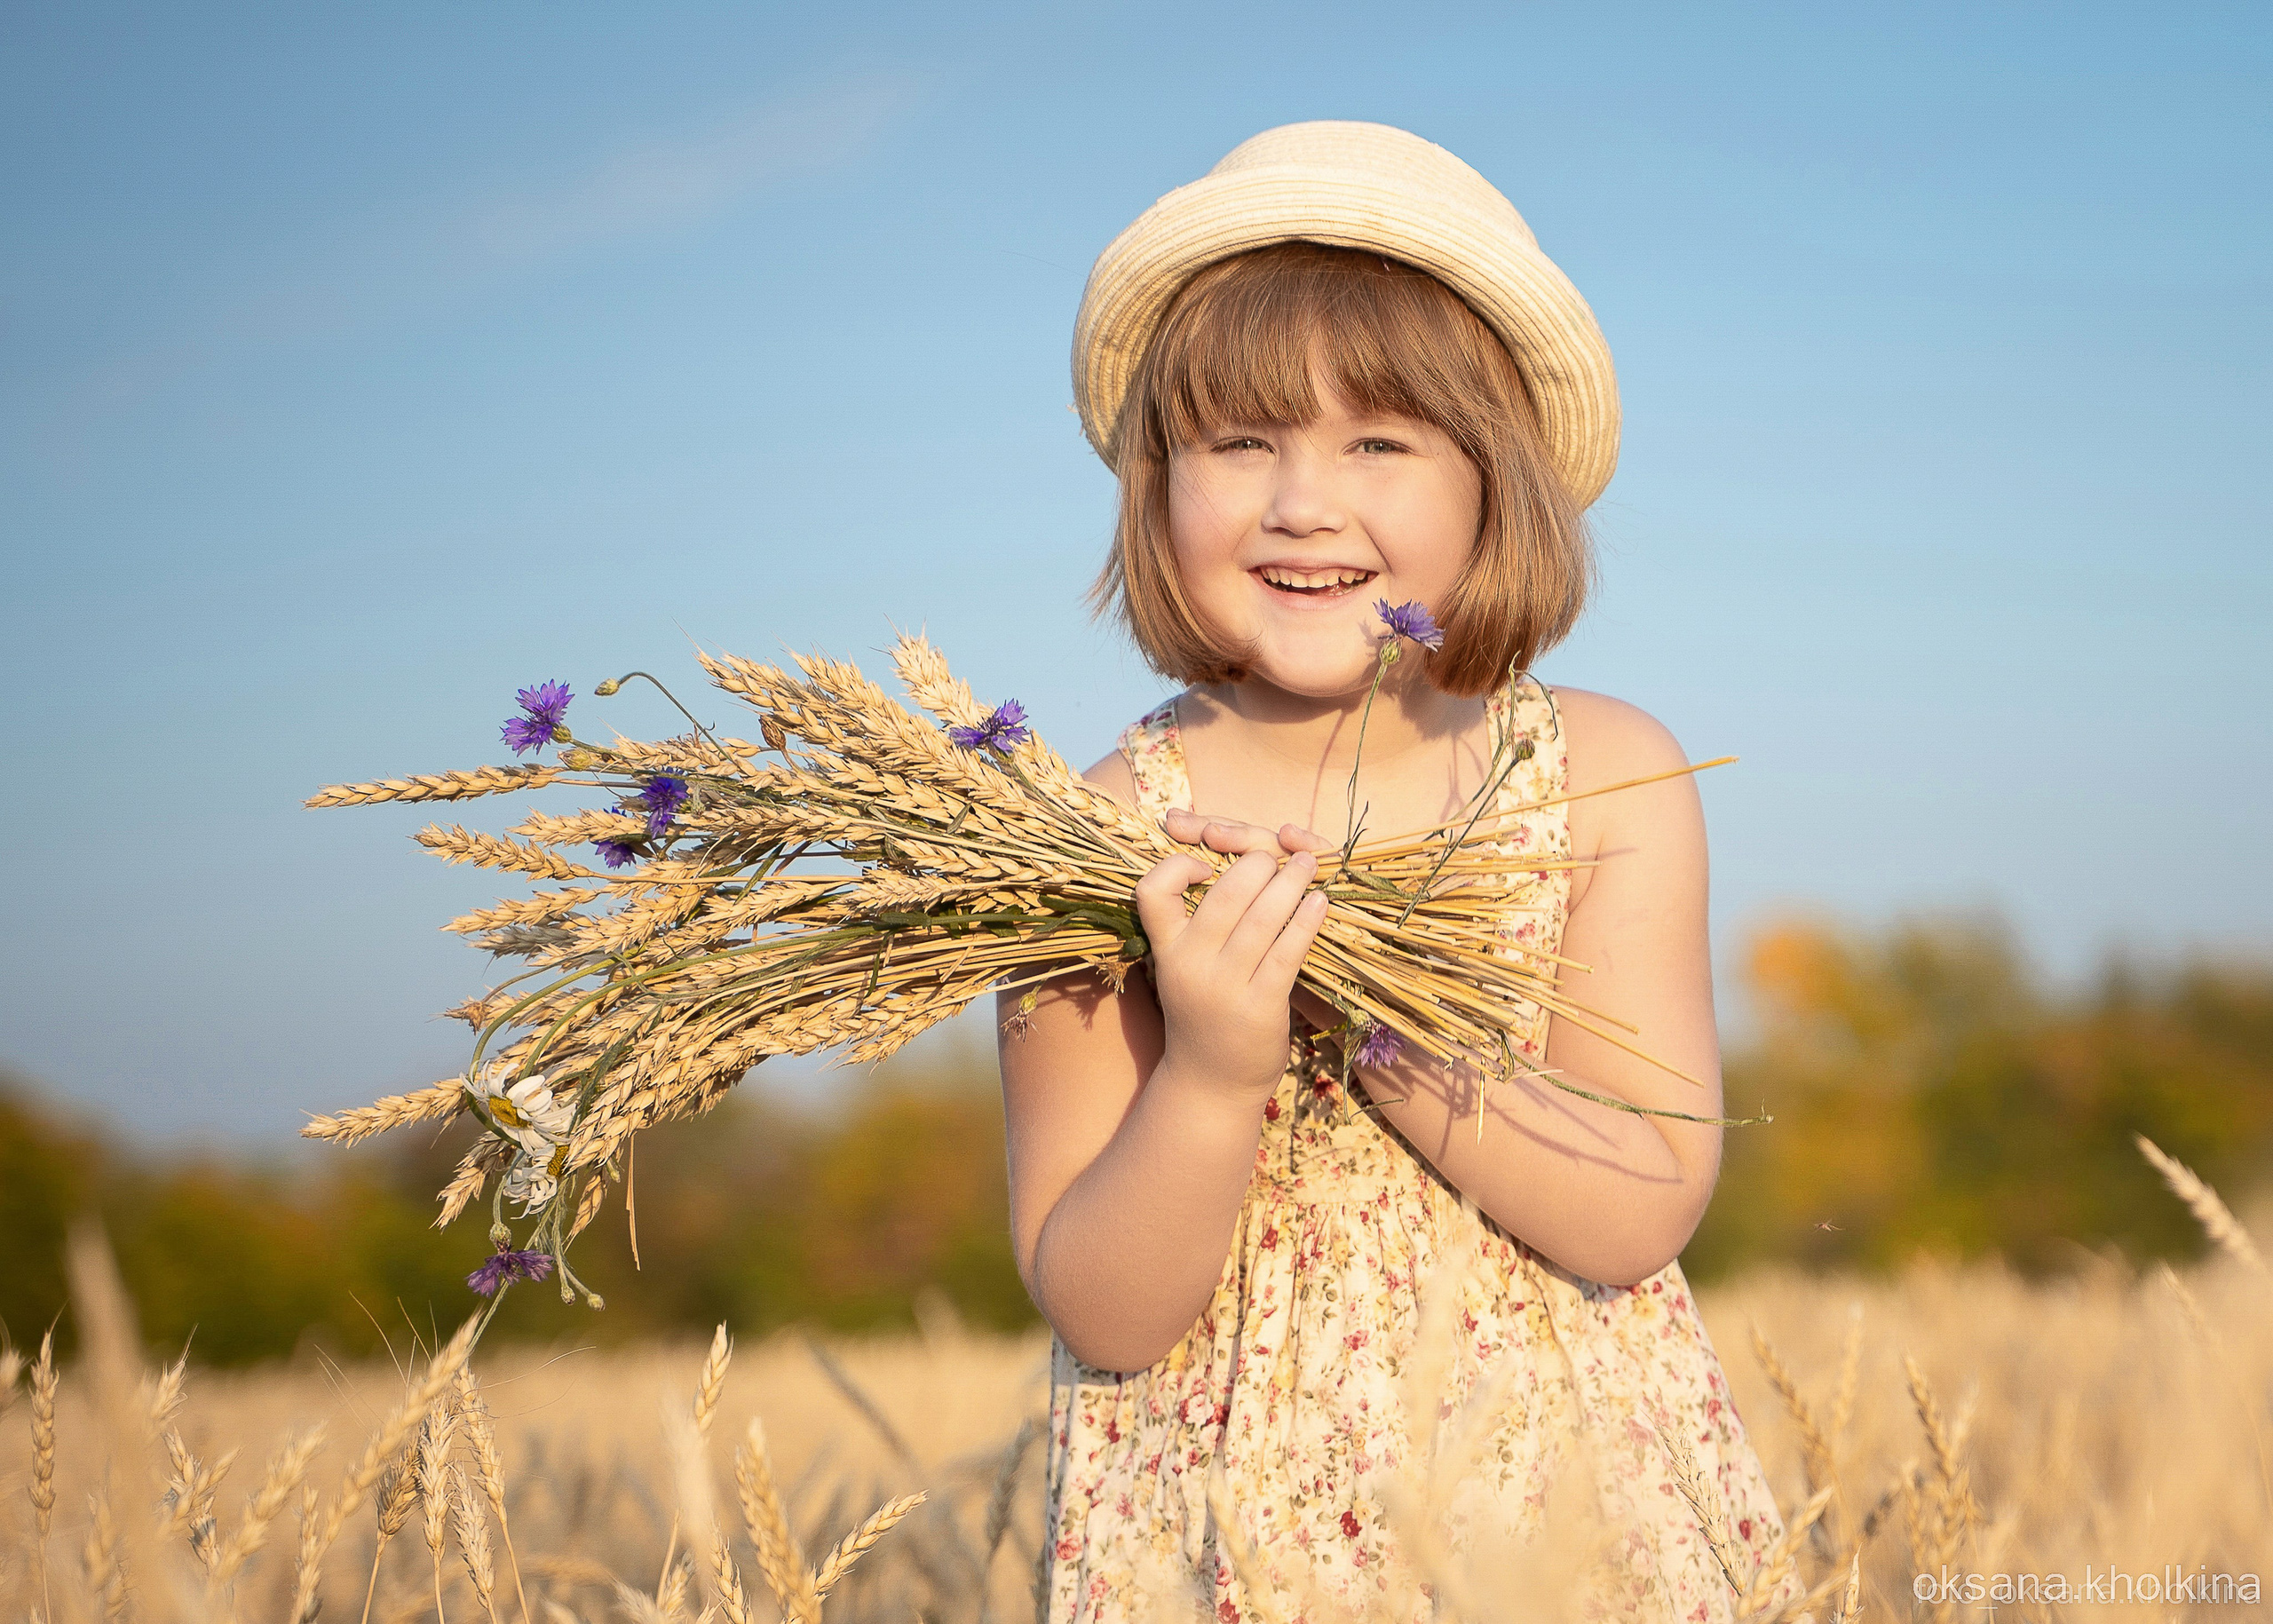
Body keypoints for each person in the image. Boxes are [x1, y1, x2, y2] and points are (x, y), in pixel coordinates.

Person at [999, 122, 1800, 1622]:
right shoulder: (1092, 837)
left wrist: (1368, 1024)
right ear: (1154, 485)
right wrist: (1220, 1069)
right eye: (1240, 442)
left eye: (1378, 440)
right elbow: (1103, 1306)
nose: (1303, 501)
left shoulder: (1603, 779)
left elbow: (1642, 1202)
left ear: (1498, 484)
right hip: (1237, 1544)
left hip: (1567, 1537)